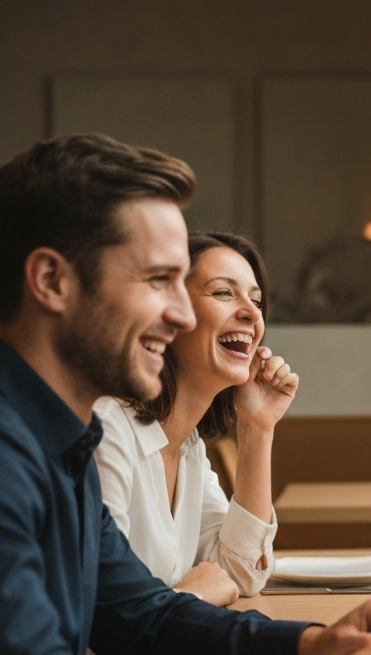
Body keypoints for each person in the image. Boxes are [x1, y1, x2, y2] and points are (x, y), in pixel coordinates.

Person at [0, 135, 371, 655]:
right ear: (51, 280)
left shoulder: (55, 442)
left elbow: (146, 621)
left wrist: (310, 645)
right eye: (161, 281)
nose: (183, 314)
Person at [95, 231, 295, 606]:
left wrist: (257, 427)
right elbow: (98, 620)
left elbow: (239, 575)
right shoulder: (105, 432)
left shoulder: (188, 448)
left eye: (256, 300)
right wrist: (190, 597)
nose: (252, 312)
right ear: (166, 313)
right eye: (223, 292)